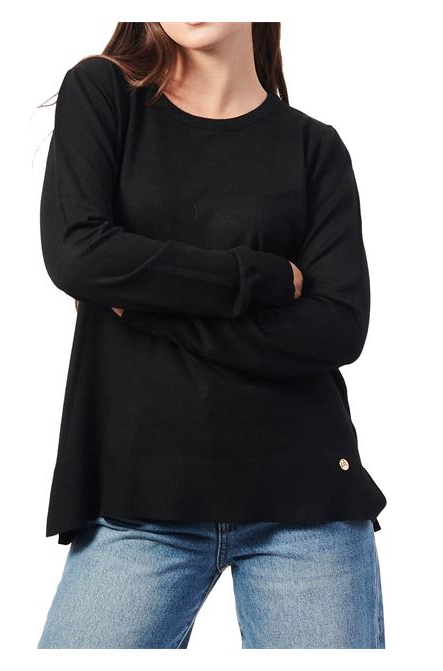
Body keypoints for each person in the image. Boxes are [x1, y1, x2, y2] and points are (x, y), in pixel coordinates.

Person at [37, 22, 386, 649]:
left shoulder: (314, 147)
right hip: (140, 504)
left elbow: (337, 328)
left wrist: (145, 306)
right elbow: (79, 256)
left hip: (307, 503)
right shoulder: (103, 93)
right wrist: (262, 277)